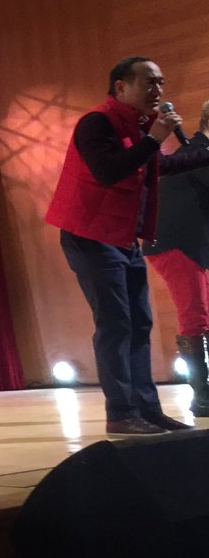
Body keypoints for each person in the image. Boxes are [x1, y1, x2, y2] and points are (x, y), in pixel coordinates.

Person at [46, 57, 209, 435]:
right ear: (120, 87)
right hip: (89, 236)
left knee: (140, 324)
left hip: (123, 237)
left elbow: (156, 168)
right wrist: (155, 138)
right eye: (149, 82)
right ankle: (121, 413)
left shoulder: (138, 127)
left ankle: (147, 410)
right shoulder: (96, 123)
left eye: (161, 83)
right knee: (116, 325)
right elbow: (108, 171)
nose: (158, 90)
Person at [143, 100, 209, 418]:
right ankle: (203, 397)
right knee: (195, 317)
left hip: (191, 244)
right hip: (176, 244)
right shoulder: (197, 154)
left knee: (200, 316)